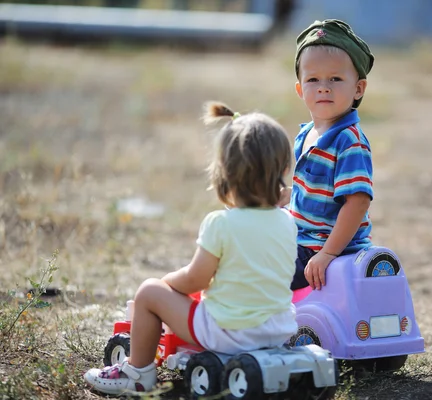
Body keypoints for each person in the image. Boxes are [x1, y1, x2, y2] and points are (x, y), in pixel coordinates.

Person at [84, 102, 298, 395]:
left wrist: (167, 283)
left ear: (223, 172)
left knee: (148, 292)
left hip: (228, 333)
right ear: (284, 169)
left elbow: (196, 280)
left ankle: (136, 372)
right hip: (276, 330)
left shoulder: (221, 223)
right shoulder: (287, 222)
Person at [282, 19, 375, 292]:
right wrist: (284, 197)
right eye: (313, 79)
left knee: (261, 272)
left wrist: (328, 254)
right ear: (300, 89)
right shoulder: (306, 133)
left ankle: (248, 326)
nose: (323, 87)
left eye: (335, 78)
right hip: (301, 241)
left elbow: (356, 203)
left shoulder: (349, 141)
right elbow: (314, 194)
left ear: (358, 88)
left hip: (323, 249)